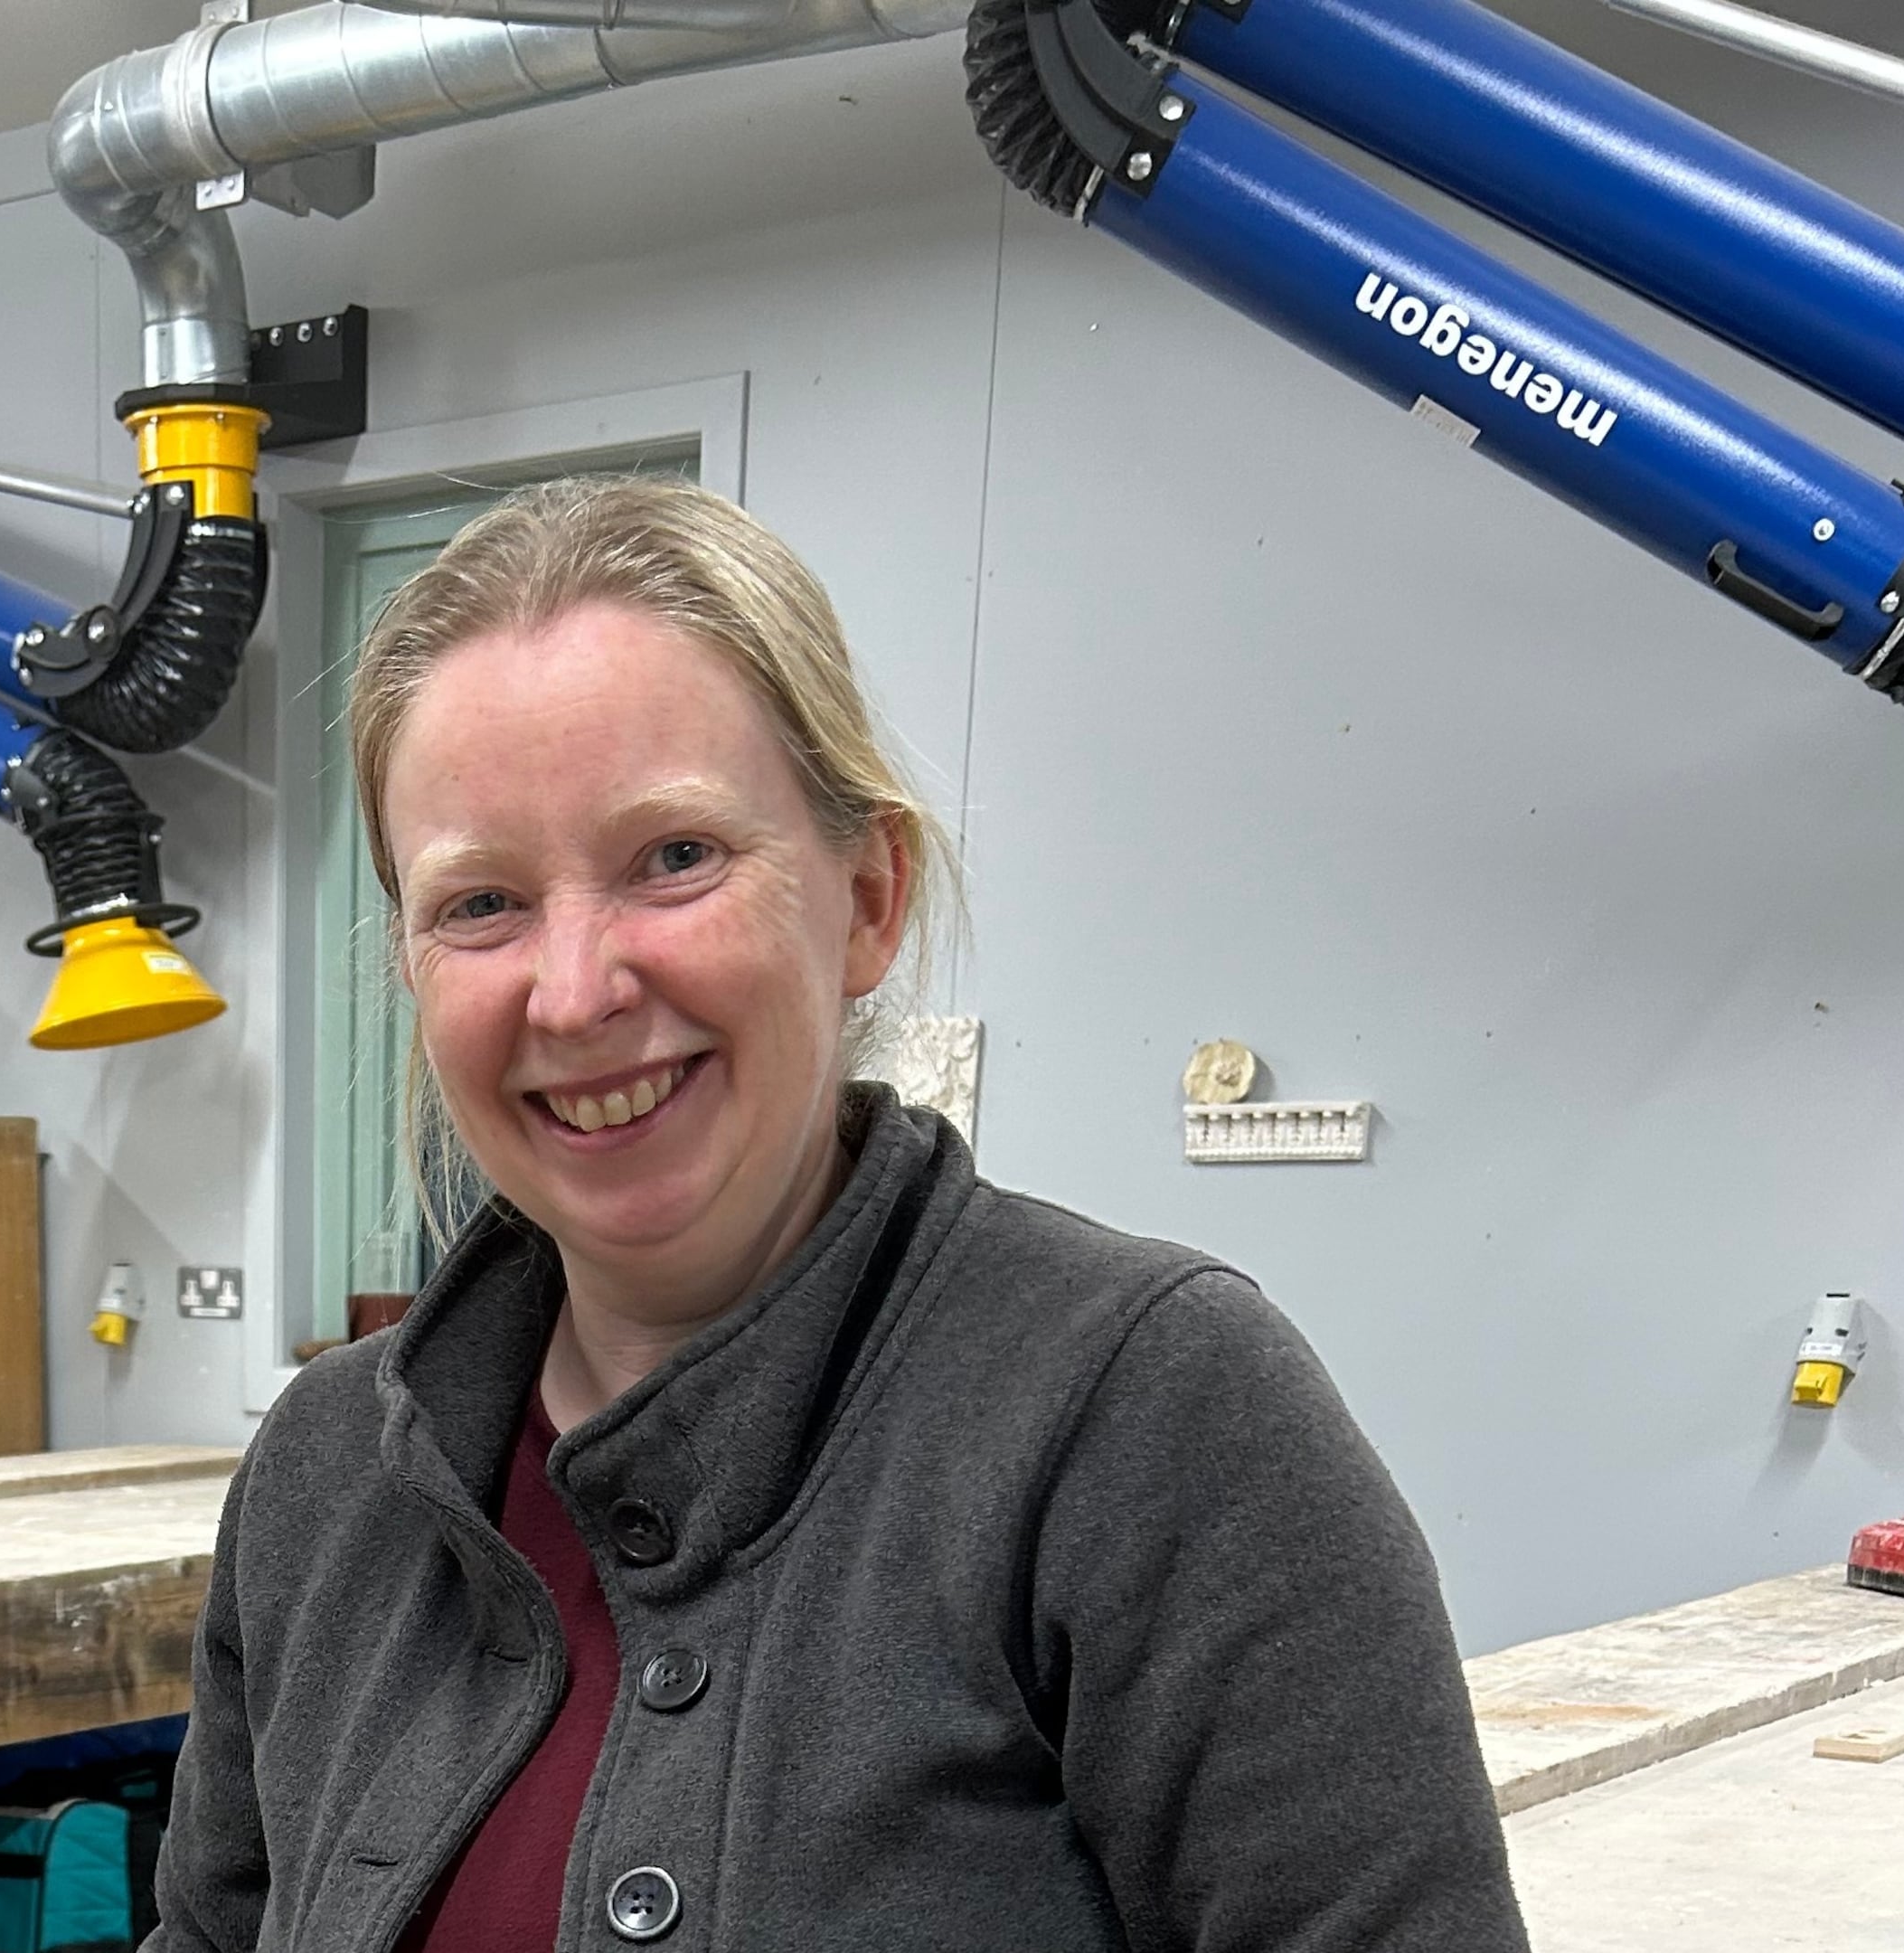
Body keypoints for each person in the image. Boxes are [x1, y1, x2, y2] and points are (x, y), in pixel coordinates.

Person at [146, 477, 1526, 1952]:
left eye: (673, 858)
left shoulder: (1152, 1418)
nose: (574, 989)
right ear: (415, 967)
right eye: (480, 903)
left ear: (866, 896)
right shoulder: (329, 1472)